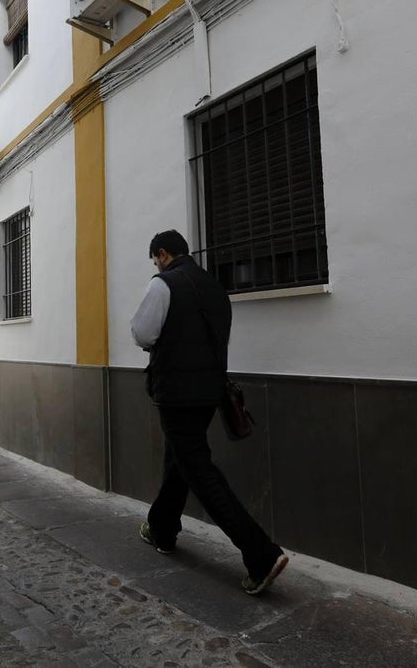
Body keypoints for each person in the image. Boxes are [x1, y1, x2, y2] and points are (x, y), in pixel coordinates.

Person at [130, 229, 288, 595]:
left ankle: (261, 554)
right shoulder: (215, 288)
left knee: (198, 471)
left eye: (155, 259)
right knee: (180, 460)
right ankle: (162, 529)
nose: (156, 265)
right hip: (210, 393)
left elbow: (142, 334)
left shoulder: (163, 284)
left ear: (163, 254)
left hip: (176, 393)